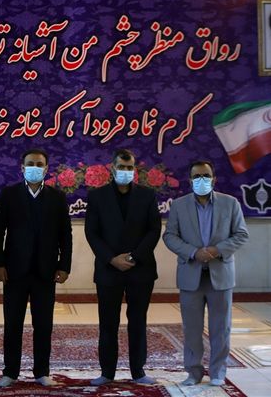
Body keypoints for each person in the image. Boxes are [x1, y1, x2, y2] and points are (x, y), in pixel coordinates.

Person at [0, 148, 72, 388]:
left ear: (46, 169)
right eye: (30, 163)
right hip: (14, 271)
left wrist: (64, 266)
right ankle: (10, 372)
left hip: (46, 272)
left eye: (39, 164)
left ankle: (42, 372)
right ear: (22, 167)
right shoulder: (9, 194)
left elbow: (65, 235)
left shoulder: (57, 197)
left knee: (43, 325)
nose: (35, 167)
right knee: (12, 324)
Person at [163, 160, 248, 387]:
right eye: (197, 176)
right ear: (190, 180)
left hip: (220, 274)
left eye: (206, 176)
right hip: (190, 274)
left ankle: (218, 371)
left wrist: (217, 250)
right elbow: (169, 236)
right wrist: (193, 252)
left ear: (214, 179)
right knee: (191, 328)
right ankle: (193, 372)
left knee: (221, 327)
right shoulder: (179, 206)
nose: (202, 180)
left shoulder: (230, 204)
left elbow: (241, 234)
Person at [84, 149, 161, 386]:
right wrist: (111, 259)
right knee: (108, 323)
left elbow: (154, 230)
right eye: (121, 167)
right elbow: (92, 233)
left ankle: (138, 371)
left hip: (141, 269)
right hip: (109, 269)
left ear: (134, 170)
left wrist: (134, 257)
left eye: (130, 168)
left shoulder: (147, 195)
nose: (126, 171)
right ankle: (107, 372)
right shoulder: (97, 196)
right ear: (112, 168)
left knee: (138, 321)